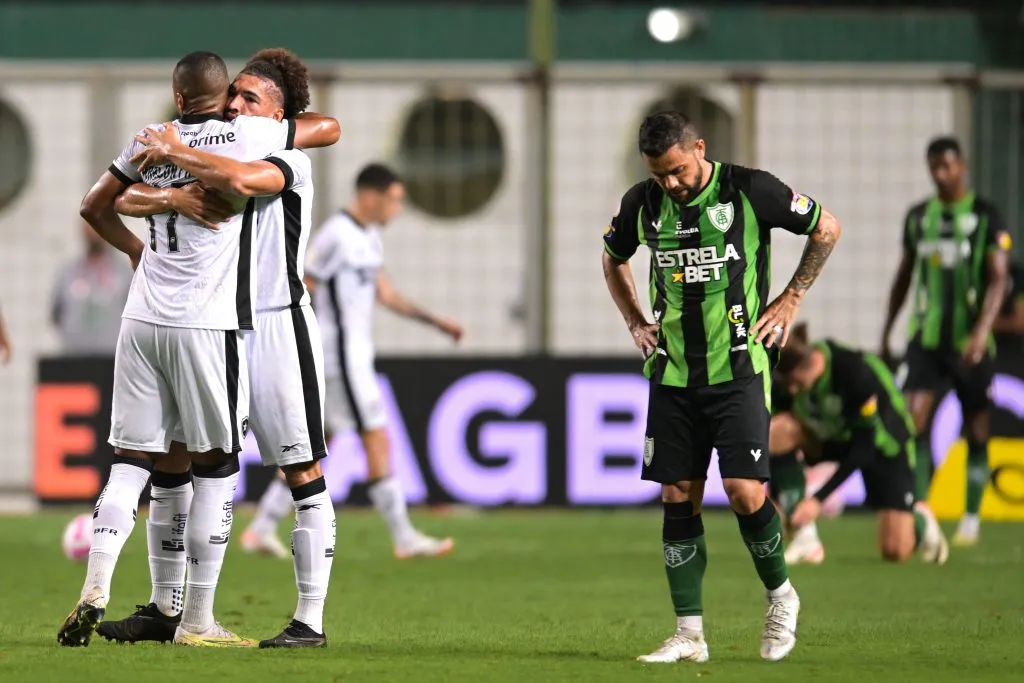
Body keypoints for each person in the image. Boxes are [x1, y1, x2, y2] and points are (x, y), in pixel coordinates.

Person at [57, 50, 326, 649]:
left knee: (135, 462)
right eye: (233, 93)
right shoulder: (245, 137)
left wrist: (147, 219)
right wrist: (182, 194)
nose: (238, 104)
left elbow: (95, 204)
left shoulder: (154, 138)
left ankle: (94, 588)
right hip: (208, 325)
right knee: (214, 468)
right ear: (218, 95)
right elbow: (312, 135)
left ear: (177, 97)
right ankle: (192, 619)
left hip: (145, 319)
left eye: (249, 97)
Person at [603, 111, 842, 664]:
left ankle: (782, 596)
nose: (671, 184)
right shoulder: (643, 202)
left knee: (744, 491)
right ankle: (689, 634)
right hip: (672, 373)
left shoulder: (751, 190)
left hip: (738, 370)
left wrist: (791, 298)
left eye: (678, 170)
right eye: (659, 174)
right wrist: (636, 321)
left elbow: (827, 227)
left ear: (700, 149)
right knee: (676, 495)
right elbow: (614, 258)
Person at [242, 163, 463, 560]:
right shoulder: (335, 236)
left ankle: (260, 527)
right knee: (377, 437)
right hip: (340, 360)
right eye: (394, 200)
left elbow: (387, 294)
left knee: (316, 445)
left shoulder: (370, 237)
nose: (397, 209)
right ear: (370, 195)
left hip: (351, 358)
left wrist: (436, 322)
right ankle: (404, 536)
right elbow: (301, 283)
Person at [880, 137, 1011, 547]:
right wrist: (887, 329)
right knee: (913, 422)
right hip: (927, 336)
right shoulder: (919, 216)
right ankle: (921, 517)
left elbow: (998, 278)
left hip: (970, 340)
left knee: (976, 429)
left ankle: (970, 520)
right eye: (934, 167)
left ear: (962, 166)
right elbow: (904, 275)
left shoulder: (986, 215)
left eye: (947, 167)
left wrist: (980, 332)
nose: (940, 174)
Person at [770, 325, 949, 564]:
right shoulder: (790, 381)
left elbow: (864, 448)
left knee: (895, 550)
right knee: (778, 429)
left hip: (883, 445)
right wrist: (777, 498)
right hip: (833, 436)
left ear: (811, 362)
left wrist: (817, 500)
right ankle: (805, 536)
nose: (792, 390)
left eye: (795, 382)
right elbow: (772, 445)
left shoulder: (854, 372)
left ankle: (920, 517)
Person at [50, 222, 133, 354]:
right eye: (88, 223)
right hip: (74, 359)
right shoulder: (68, 272)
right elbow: (56, 315)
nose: (93, 231)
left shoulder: (125, 273)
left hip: (112, 360)